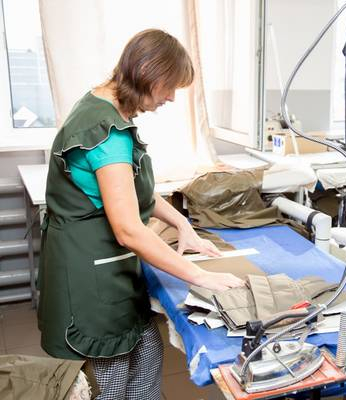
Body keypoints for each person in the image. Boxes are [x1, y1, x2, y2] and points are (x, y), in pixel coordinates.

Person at [37, 29, 244, 399]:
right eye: (170, 87)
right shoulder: (106, 133)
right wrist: (200, 276)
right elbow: (129, 229)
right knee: (112, 382)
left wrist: (180, 222)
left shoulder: (102, 108)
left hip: (110, 269)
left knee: (148, 352)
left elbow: (131, 190)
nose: (171, 97)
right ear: (148, 72)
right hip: (91, 281)